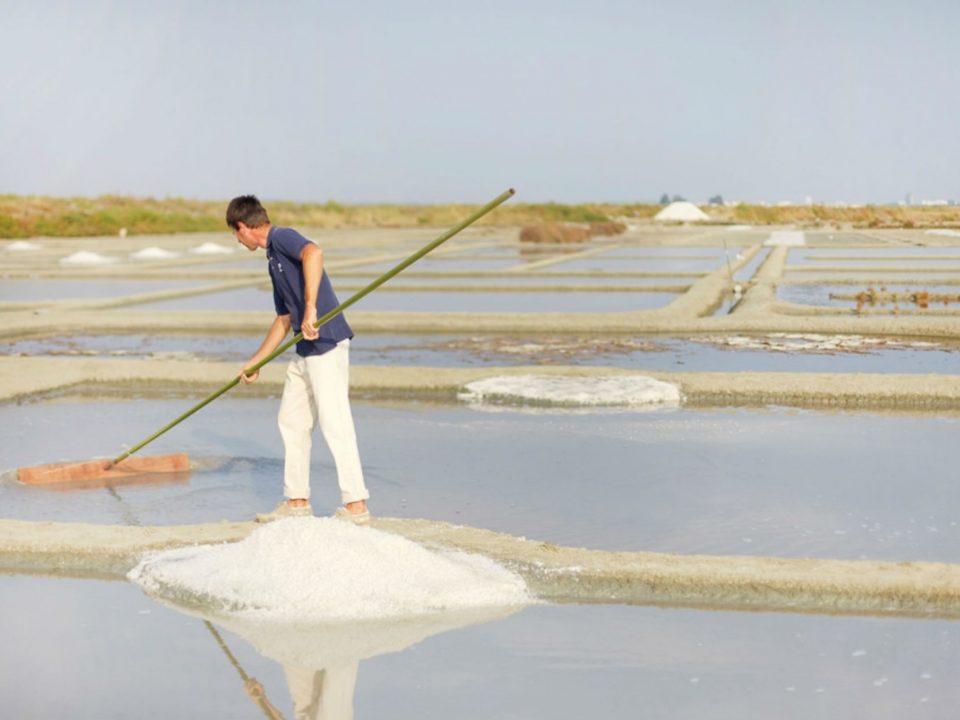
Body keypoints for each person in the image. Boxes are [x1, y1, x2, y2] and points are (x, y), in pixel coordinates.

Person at [226, 195, 370, 524]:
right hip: (304, 350)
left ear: (243, 227)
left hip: (328, 343)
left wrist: (311, 307)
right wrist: (256, 361)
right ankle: (297, 501)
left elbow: (314, 252)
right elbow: (282, 319)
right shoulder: (272, 258)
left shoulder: (282, 237)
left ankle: (356, 505)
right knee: (292, 421)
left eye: (235, 235)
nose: (237, 241)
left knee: (335, 423)